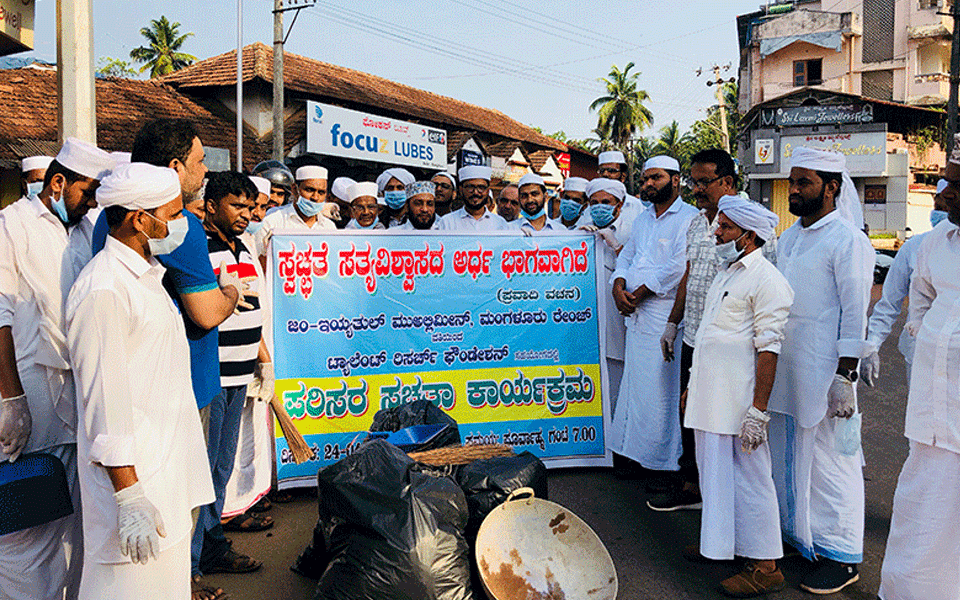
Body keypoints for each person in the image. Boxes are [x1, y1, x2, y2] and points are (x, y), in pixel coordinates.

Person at [66, 162, 215, 600]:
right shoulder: (104, 289)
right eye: (172, 214)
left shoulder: (148, 278)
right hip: (135, 489)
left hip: (167, 478)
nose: (181, 223)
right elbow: (104, 402)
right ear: (139, 219)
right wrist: (130, 497)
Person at [0, 138, 114, 600]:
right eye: (86, 192)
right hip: (31, 394)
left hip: (77, 398)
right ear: (59, 181)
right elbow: (0, 314)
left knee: (75, 524)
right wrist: (10, 398)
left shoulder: (86, 230)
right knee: (27, 527)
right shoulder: (13, 225)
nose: (91, 204)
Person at [767, 146, 873, 595]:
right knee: (790, 459)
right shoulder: (790, 238)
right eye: (792, 181)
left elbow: (855, 313)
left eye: (803, 182)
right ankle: (803, 540)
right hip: (786, 371)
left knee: (832, 466)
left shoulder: (848, 240)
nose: (793, 190)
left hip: (826, 374)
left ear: (832, 187)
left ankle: (843, 554)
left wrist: (844, 377)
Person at [655, 149, 778, 512]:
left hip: (732, 347)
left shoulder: (750, 225)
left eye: (704, 182)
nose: (696, 189)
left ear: (728, 182)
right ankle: (693, 485)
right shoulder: (697, 223)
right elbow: (689, 276)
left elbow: (764, 290)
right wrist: (672, 323)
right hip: (696, 335)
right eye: (693, 181)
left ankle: (727, 503)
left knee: (724, 426)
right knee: (690, 414)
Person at [684, 194, 793, 596]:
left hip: (739, 403)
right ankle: (720, 544)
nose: (717, 232)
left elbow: (769, 350)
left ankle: (766, 567)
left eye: (726, 227)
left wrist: (758, 412)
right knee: (714, 474)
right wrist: (692, 386)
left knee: (750, 480)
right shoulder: (726, 273)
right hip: (710, 397)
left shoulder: (768, 280)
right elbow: (712, 337)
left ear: (748, 236)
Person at [878, 154, 960, 600]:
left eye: (955, 187)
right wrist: (926, 331)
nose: (943, 195)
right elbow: (921, 295)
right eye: (944, 182)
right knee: (922, 512)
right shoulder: (937, 242)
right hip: (932, 415)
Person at [193, 171, 273, 582]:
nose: (246, 215)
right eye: (236, 206)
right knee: (203, 469)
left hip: (241, 371)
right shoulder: (200, 249)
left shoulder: (242, 245)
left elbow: (253, 306)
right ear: (211, 206)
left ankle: (212, 544)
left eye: (250, 207)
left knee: (221, 467)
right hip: (213, 374)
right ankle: (192, 563)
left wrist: (263, 360)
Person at [608, 155, 698, 479]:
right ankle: (635, 455)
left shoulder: (690, 217)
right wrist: (618, 284)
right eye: (645, 179)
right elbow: (628, 255)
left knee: (662, 393)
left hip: (664, 316)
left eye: (655, 178)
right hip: (635, 316)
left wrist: (644, 290)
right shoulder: (644, 219)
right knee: (635, 390)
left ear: (675, 180)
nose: (648, 184)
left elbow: (681, 265)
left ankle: (664, 464)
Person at [861, 179, 951, 385]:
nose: (941, 212)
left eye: (948, 206)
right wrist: (872, 344)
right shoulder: (915, 247)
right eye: (938, 206)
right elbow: (890, 302)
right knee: (922, 414)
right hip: (920, 351)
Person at [580, 178, 642, 411]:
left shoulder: (633, 231)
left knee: (617, 397)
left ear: (620, 204)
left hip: (618, 329)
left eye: (606, 202)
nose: (599, 207)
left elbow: (638, 271)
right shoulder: (581, 229)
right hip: (587, 330)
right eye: (594, 202)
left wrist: (616, 246)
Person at [254, 165, 336, 263]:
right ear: (294, 189)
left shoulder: (329, 227)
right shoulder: (272, 222)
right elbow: (258, 262)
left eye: (321, 192)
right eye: (309, 190)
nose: (315, 197)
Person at [437, 166, 509, 231]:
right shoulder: (447, 222)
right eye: (470, 187)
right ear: (461, 190)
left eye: (481, 188)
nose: (475, 192)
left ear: (487, 190)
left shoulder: (500, 224)